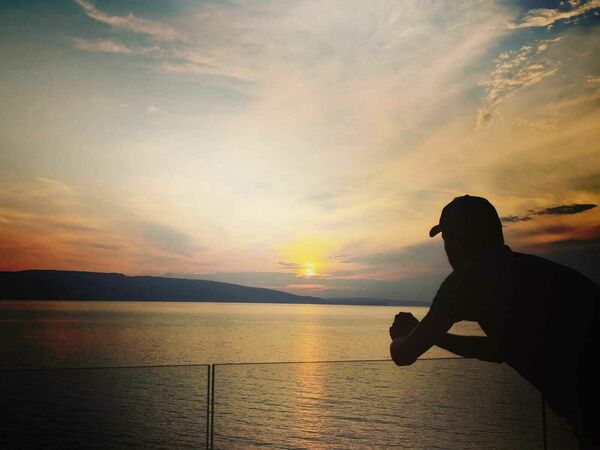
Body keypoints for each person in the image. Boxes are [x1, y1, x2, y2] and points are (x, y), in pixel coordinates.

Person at [389, 195, 599, 449]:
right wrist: (431, 336)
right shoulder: (530, 270)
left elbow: (405, 354)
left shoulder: (468, 281)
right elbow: (498, 350)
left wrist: (403, 336)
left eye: (446, 239)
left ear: (455, 242)